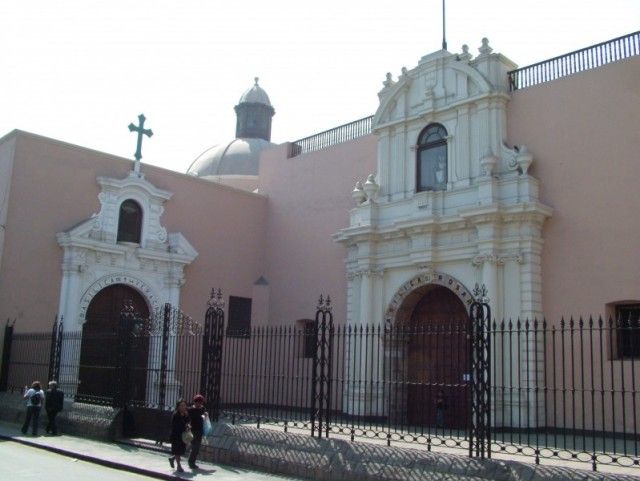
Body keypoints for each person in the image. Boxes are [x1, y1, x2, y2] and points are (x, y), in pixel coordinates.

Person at [187, 394, 209, 469]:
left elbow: (204, 416)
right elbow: (187, 419)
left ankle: (175, 458)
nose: (199, 404)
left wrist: (205, 415)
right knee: (195, 447)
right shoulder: (190, 410)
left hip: (199, 430)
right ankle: (191, 462)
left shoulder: (202, 408)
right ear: (194, 402)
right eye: (198, 402)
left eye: (201, 402)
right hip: (192, 430)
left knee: (196, 447)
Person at [168, 399, 190, 473]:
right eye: (182, 405)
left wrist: (188, 426)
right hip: (176, 435)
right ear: (178, 407)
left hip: (183, 435)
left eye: (184, 405)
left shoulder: (186, 414)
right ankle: (179, 466)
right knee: (177, 451)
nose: (183, 407)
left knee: (181, 450)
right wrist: (184, 426)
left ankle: (172, 459)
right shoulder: (175, 415)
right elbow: (175, 426)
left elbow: (188, 422)